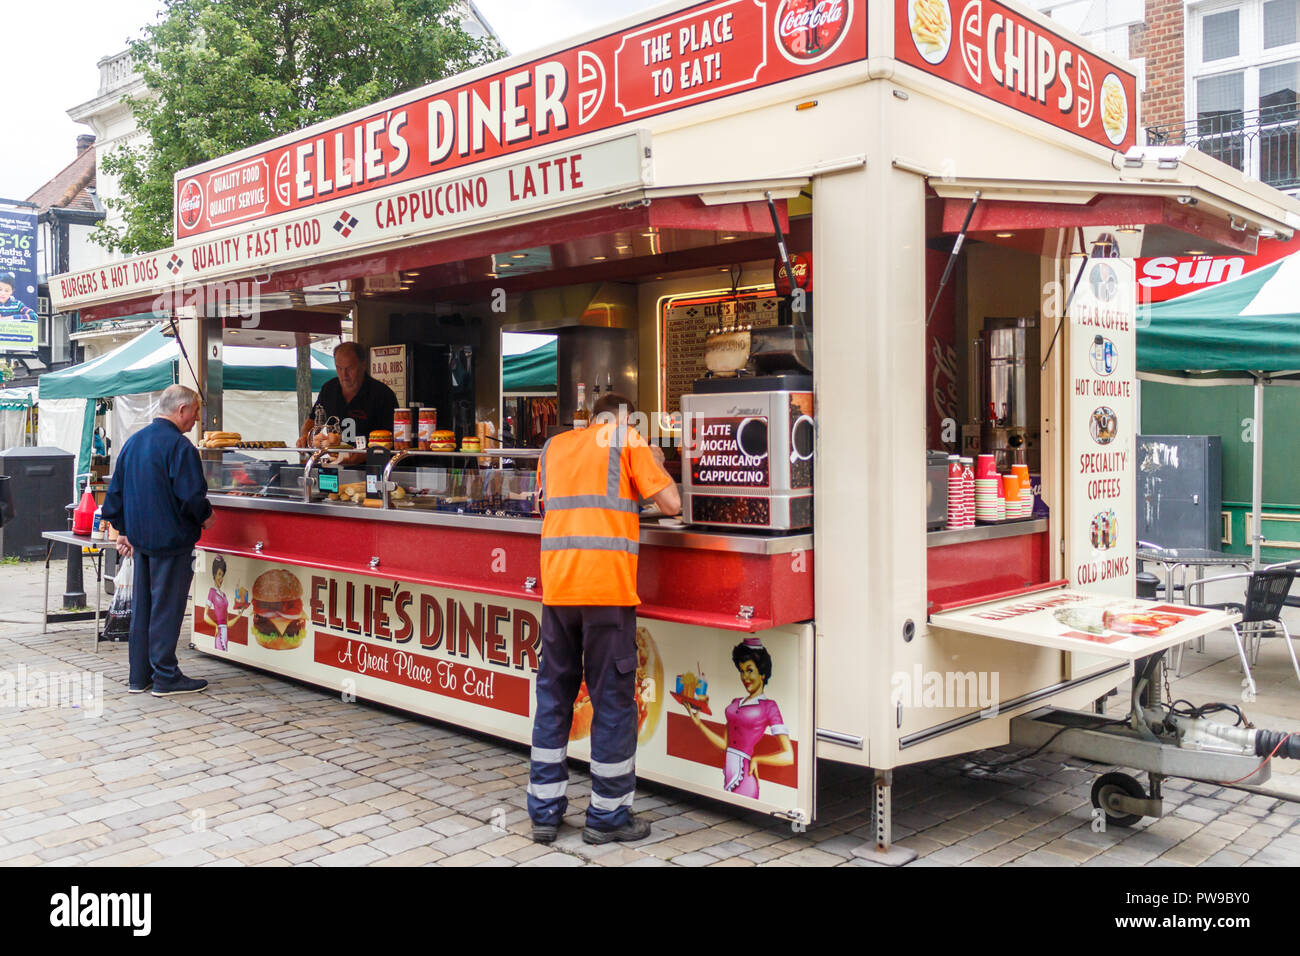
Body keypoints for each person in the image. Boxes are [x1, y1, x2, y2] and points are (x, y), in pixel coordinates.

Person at [527, 393, 681, 845]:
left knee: (555, 695)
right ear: (625, 418)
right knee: (612, 703)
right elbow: (671, 503)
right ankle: (608, 815)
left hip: (558, 591)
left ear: (591, 420)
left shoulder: (553, 448)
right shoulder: (627, 439)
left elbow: (546, 507)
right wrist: (654, 460)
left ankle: (545, 812)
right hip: (607, 594)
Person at [102, 385, 214, 697]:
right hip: (172, 541)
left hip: (142, 542)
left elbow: (113, 499)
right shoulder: (181, 448)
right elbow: (192, 496)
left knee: (145, 608)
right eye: (194, 413)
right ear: (181, 410)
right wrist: (205, 515)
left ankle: (139, 675)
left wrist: (124, 529)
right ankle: (165, 676)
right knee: (166, 608)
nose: (195, 420)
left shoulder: (133, 443)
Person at [683, 638, 793, 799]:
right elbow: (726, 745)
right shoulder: (735, 703)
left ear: (762, 674)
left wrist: (757, 759)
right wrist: (699, 724)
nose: (745, 677)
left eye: (749, 670)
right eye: (741, 671)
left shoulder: (769, 706)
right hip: (729, 774)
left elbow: (788, 755)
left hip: (745, 776)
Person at [297, 341, 398, 447]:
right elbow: (312, 420)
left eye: (349, 368)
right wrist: (305, 436)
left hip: (371, 461)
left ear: (363, 365)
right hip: (335, 460)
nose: (344, 374)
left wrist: (360, 455)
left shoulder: (382, 394)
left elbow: (391, 439)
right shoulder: (329, 389)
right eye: (339, 368)